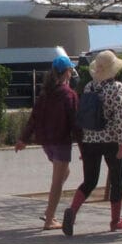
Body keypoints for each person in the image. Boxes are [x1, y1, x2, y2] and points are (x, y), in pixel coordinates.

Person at [63, 50, 122, 236]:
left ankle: (72, 211)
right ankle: (115, 221)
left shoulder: (89, 87)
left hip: (90, 139)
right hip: (111, 140)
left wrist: (83, 143)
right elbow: (120, 117)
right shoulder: (117, 88)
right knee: (116, 180)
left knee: (90, 180)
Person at [15, 55, 78, 230]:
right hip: (61, 142)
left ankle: (49, 211)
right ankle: (49, 219)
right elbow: (75, 122)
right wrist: (83, 146)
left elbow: (33, 119)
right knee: (57, 181)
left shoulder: (45, 94)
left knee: (64, 173)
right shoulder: (69, 95)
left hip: (47, 143)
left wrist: (23, 139)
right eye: (71, 70)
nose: (72, 73)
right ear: (66, 72)